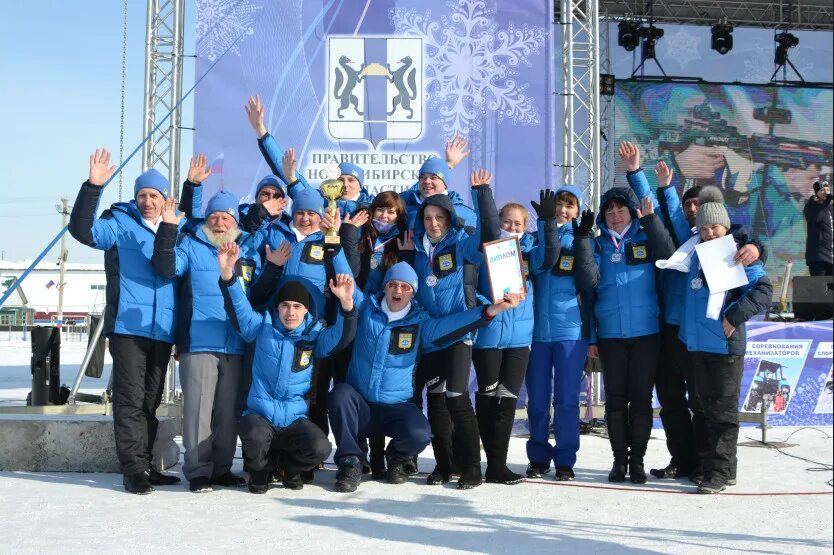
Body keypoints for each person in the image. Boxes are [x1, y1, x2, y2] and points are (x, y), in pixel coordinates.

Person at [618, 141, 765, 482]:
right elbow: (653, 205)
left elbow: (754, 275)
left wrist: (756, 247)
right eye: (688, 206)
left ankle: (708, 463)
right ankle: (684, 459)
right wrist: (638, 173)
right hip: (672, 330)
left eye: (700, 207)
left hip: (705, 334)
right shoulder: (686, 240)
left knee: (705, 404)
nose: (694, 212)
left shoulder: (718, 244)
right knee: (671, 401)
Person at [327, 262, 525, 492]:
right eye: (392, 285)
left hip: (396, 408)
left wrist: (491, 310)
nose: (398, 291)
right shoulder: (366, 308)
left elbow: (454, 324)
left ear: (413, 291)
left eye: (405, 287)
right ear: (384, 287)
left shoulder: (420, 324)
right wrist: (334, 238)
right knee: (340, 394)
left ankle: (397, 457)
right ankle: (351, 462)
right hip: (361, 405)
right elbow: (347, 279)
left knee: (421, 433)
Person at [68, 149, 184, 494]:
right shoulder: (119, 222)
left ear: (165, 199)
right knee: (129, 400)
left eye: (153, 195)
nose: (147, 201)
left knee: (149, 401)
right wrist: (93, 186)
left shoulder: (176, 225)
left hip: (162, 330)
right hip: (128, 329)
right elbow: (82, 230)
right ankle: (133, 469)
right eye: (142, 195)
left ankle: (146, 462)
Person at [217, 241, 358, 493]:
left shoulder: (314, 337)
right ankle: (260, 470)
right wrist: (228, 276)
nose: (290, 312)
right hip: (260, 414)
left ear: (306, 310)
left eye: (296, 307)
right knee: (255, 435)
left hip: (293, 419)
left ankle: (289, 469)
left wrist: (347, 306)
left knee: (320, 447)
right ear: (277, 308)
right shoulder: (261, 327)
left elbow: (341, 336)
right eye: (285, 305)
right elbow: (238, 306)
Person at [152, 190, 263, 493]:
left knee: (228, 411)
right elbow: (169, 268)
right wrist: (169, 229)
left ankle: (223, 467)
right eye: (214, 216)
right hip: (199, 341)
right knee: (199, 411)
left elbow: (258, 293)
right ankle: (199, 470)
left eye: (225, 217)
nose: (219, 222)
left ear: (234, 222)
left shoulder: (249, 253)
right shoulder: (191, 245)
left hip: (236, 344)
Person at [673, 186, 772, 493]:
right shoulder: (693, 253)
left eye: (715, 226)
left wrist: (733, 317)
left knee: (723, 412)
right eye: (703, 228)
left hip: (725, 347)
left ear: (726, 227)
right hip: (698, 345)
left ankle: (719, 472)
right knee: (705, 409)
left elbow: (764, 291)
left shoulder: (737, 254)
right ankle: (720, 468)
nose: (709, 232)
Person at [576, 187, 676, 484]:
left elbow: (669, 254)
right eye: (609, 211)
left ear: (632, 212)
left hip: (647, 332)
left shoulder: (646, 238)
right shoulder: (597, 245)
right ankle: (619, 461)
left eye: (620, 210)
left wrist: (650, 221)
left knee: (642, 399)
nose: (615, 216)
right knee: (616, 401)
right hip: (610, 335)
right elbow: (587, 289)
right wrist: (592, 336)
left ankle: (638, 463)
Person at [412, 172, 499, 489]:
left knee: (457, 397)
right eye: (428, 217)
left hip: (460, 332)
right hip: (433, 335)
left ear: (449, 218)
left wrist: (481, 193)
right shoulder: (418, 252)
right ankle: (444, 464)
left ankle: (472, 467)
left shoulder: (462, 244)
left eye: (439, 217)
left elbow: (490, 235)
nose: (434, 223)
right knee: (435, 402)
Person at [524, 186, 596, 482]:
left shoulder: (585, 240)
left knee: (566, 400)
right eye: (559, 204)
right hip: (537, 333)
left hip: (571, 331)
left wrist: (592, 336)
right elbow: (542, 263)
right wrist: (545, 227)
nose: (563, 210)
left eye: (570, 205)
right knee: (538, 400)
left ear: (578, 211)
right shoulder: (533, 240)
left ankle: (565, 459)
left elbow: (591, 283)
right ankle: (538, 457)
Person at [246, 95, 372, 217]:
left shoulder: (375, 206)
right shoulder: (318, 202)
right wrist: (260, 130)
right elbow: (281, 165)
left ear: (361, 185)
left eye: (351, 180)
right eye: (340, 180)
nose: (345, 184)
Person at [178, 152, 289, 234]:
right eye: (265, 194)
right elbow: (191, 221)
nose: (270, 199)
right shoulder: (239, 215)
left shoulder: (290, 225)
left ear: (284, 201)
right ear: (256, 198)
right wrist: (193, 185)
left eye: (276, 195)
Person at [803, 180, 833, 276]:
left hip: (831, 256)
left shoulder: (829, 207)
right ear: (817, 193)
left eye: (827, 190)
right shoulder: (811, 206)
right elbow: (814, 219)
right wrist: (825, 204)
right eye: (822, 190)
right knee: (819, 288)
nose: (826, 192)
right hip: (818, 257)